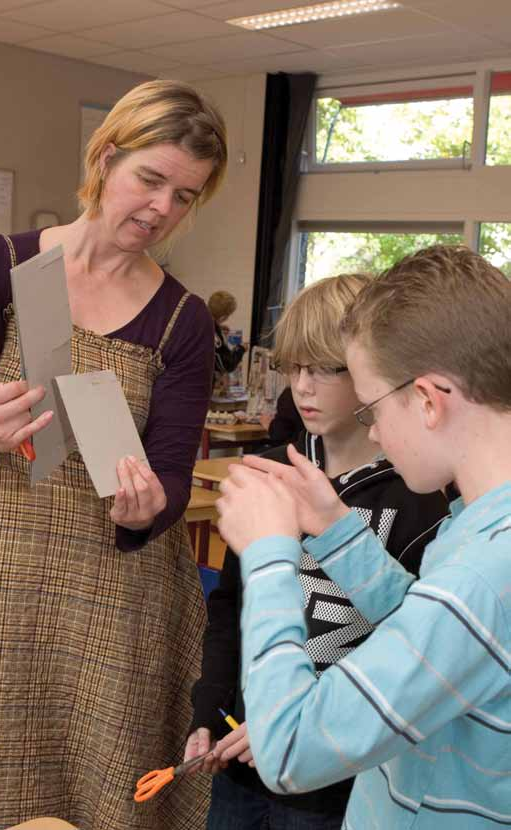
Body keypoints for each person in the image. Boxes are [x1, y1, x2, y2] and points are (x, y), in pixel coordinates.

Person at [0, 79, 227, 830]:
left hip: (115, 583)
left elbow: (168, 472)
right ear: (105, 159)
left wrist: (150, 505)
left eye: (185, 197)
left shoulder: (182, 321)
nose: (163, 209)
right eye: (150, 179)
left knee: (100, 794)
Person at [216, 245, 511, 828]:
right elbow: (429, 634)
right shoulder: (475, 528)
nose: (372, 427)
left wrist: (269, 556)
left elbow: (290, 750)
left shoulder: (482, 574)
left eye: (373, 408)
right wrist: (335, 531)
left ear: (426, 401)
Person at [186, 274, 448, 829]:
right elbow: (231, 608)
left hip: (336, 782)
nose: (302, 387)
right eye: (294, 367)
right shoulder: (270, 470)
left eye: (326, 369)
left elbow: (405, 652)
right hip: (240, 761)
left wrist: (299, 721)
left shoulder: (418, 495)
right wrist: (209, 706)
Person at [207, 290, 247, 382]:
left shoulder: (203, 322)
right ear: (223, 317)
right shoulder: (213, 333)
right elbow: (227, 365)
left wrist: (218, 327)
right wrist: (241, 349)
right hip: (202, 384)